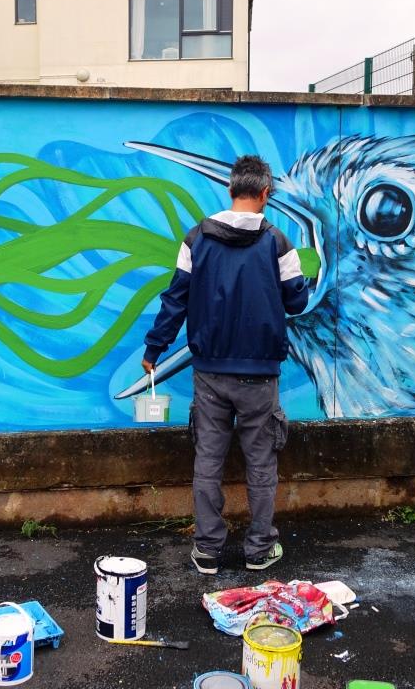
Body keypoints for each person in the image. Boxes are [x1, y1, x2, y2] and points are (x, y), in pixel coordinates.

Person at [140, 155, 309, 574]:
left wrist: (154, 349)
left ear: (231, 189)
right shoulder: (278, 242)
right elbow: (297, 301)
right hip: (260, 374)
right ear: (265, 192)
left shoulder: (196, 238)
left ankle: (208, 550)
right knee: (261, 463)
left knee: (209, 461)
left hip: (210, 372)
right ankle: (259, 551)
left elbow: (175, 298)